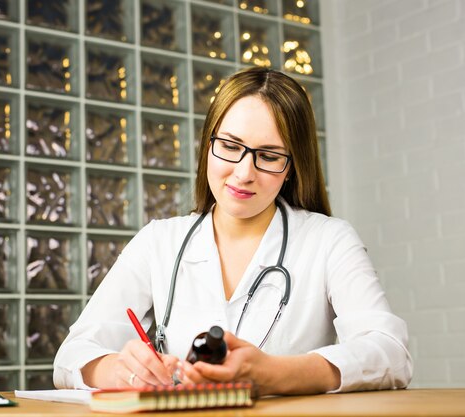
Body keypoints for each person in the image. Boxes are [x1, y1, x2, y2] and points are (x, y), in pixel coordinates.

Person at [53, 67, 412, 395]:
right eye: (229, 146)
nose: (243, 173)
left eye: (269, 156)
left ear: (292, 166)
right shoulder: (158, 242)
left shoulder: (329, 240)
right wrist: (120, 370)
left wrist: (274, 373)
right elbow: (72, 356)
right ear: (208, 145)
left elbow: (390, 353)